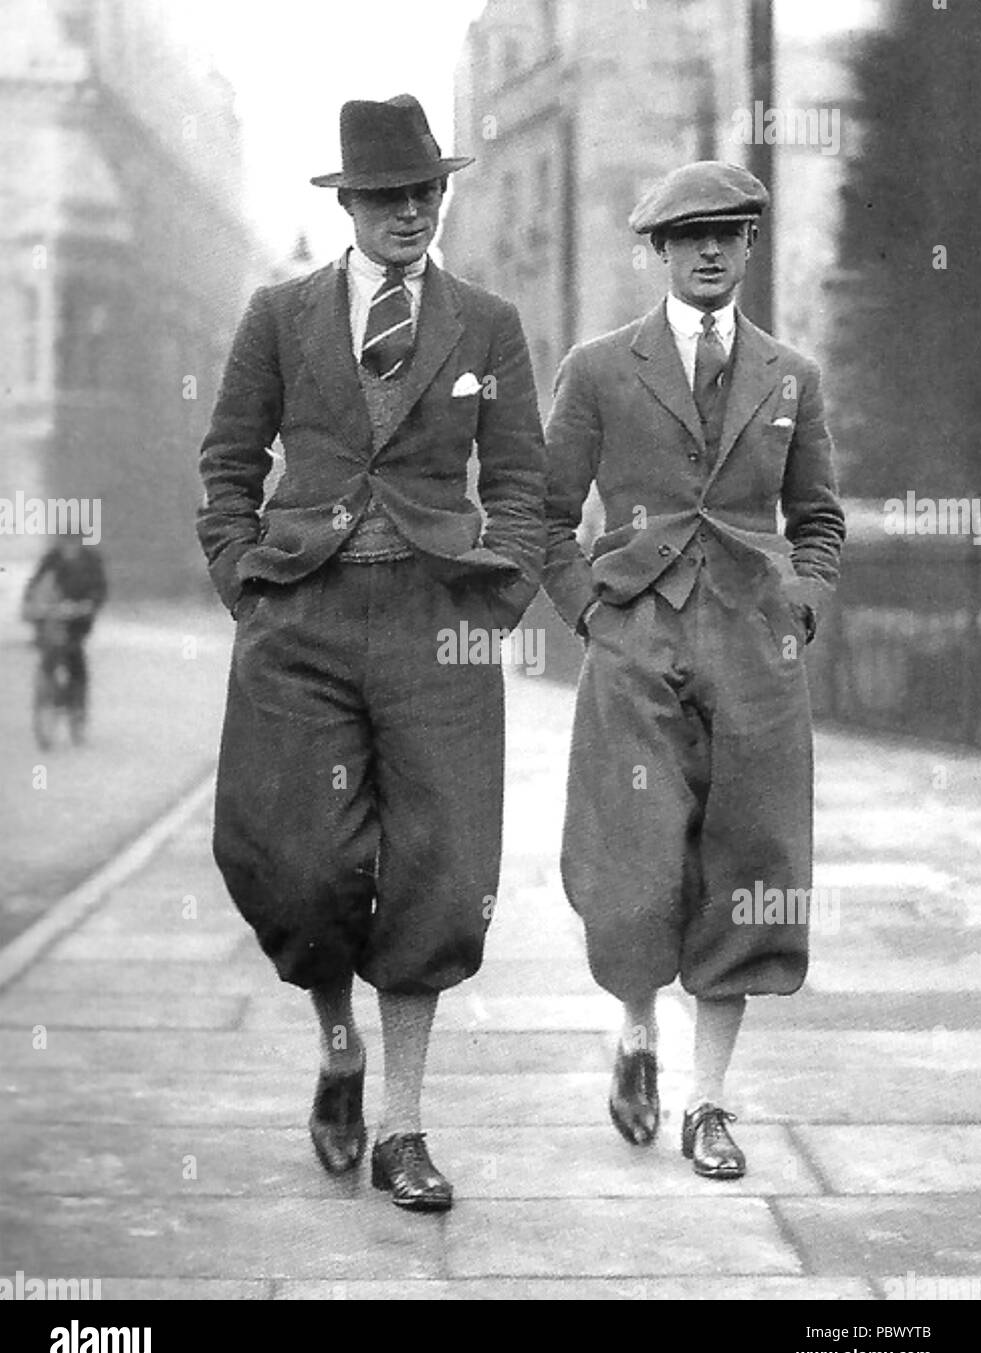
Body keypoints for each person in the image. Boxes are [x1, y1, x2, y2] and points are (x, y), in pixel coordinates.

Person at [197, 94, 545, 1211]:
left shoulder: (486, 324)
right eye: (388, 195)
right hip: (302, 618)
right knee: (297, 864)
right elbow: (228, 466)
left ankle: (404, 1122)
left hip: (437, 625)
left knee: (442, 875)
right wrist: (247, 588)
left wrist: (501, 597)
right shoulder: (280, 314)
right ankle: (336, 1042)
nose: (410, 213)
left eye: (426, 193)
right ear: (348, 202)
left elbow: (527, 487)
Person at [543, 161, 845, 1179]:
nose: (711, 250)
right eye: (689, 236)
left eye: (730, 233)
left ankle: (707, 1102)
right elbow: (544, 514)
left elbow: (820, 519)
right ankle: (635, 1034)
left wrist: (800, 602)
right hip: (636, 647)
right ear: (659, 251)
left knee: (751, 869)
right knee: (631, 866)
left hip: (756, 656)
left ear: (751, 246)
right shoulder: (597, 370)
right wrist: (588, 610)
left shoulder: (791, 376)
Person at [22, 534, 108, 712]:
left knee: (74, 655)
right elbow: (36, 581)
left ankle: (78, 704)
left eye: (73, 540)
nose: (69, 544)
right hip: (52, 614)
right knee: (48, 650)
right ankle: (47, 688)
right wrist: (30, 602)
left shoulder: (91, 560)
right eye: (65, 540)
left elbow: (100, 587)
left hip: (79, 616)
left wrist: (89, 604)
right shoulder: (52, 558)